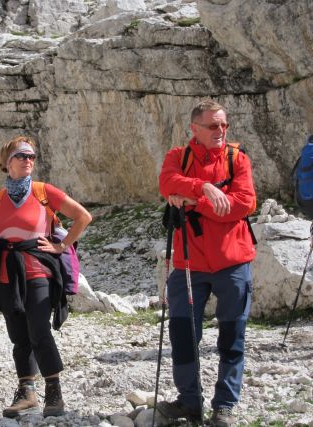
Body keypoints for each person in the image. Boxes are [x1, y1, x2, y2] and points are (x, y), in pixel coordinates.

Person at [0, 136, 92, 419]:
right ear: (7, 162)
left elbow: (83, 216)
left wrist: (61, 246)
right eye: (22, 156)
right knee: (18, 335)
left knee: (38, 330)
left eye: (32, 156)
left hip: (38, 271)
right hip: (5, 274)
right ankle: (26, 391)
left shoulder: (43, 191)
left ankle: (54, 392)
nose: (28, 160)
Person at [157, 99, 256, 427]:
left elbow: (243, 204)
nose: (221, 131)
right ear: (195, 129)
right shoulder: (178, 157)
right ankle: (190, 402)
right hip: (188, 264)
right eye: (213, 126)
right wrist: (206, 188)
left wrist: (194, 202)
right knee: (183, 335)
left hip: (233, 262)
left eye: (224, 125)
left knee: (232, 336)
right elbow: (166, 184)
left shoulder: (237, 158)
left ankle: (224, 406)